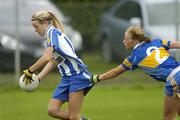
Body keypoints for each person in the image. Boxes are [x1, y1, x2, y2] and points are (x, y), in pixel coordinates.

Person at [91, 25, 180, 120]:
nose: (123, 41)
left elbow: (115, 72)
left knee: (168, 118)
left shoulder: (134, 58)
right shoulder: (157, 42)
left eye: (126, 39)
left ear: (134, 40)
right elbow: (176, 44)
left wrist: (97, 78)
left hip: (174, 78)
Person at [22, 10, 93, 120]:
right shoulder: (50, 36)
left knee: (74, 116)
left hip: (77, 77)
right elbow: (53, 61)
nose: (35, 30)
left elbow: (46, 57)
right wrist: (38, 78)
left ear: (45, 23)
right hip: (66, 78)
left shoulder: (52, 33)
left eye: (36, 27)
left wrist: (30, 70)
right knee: (52, 110)